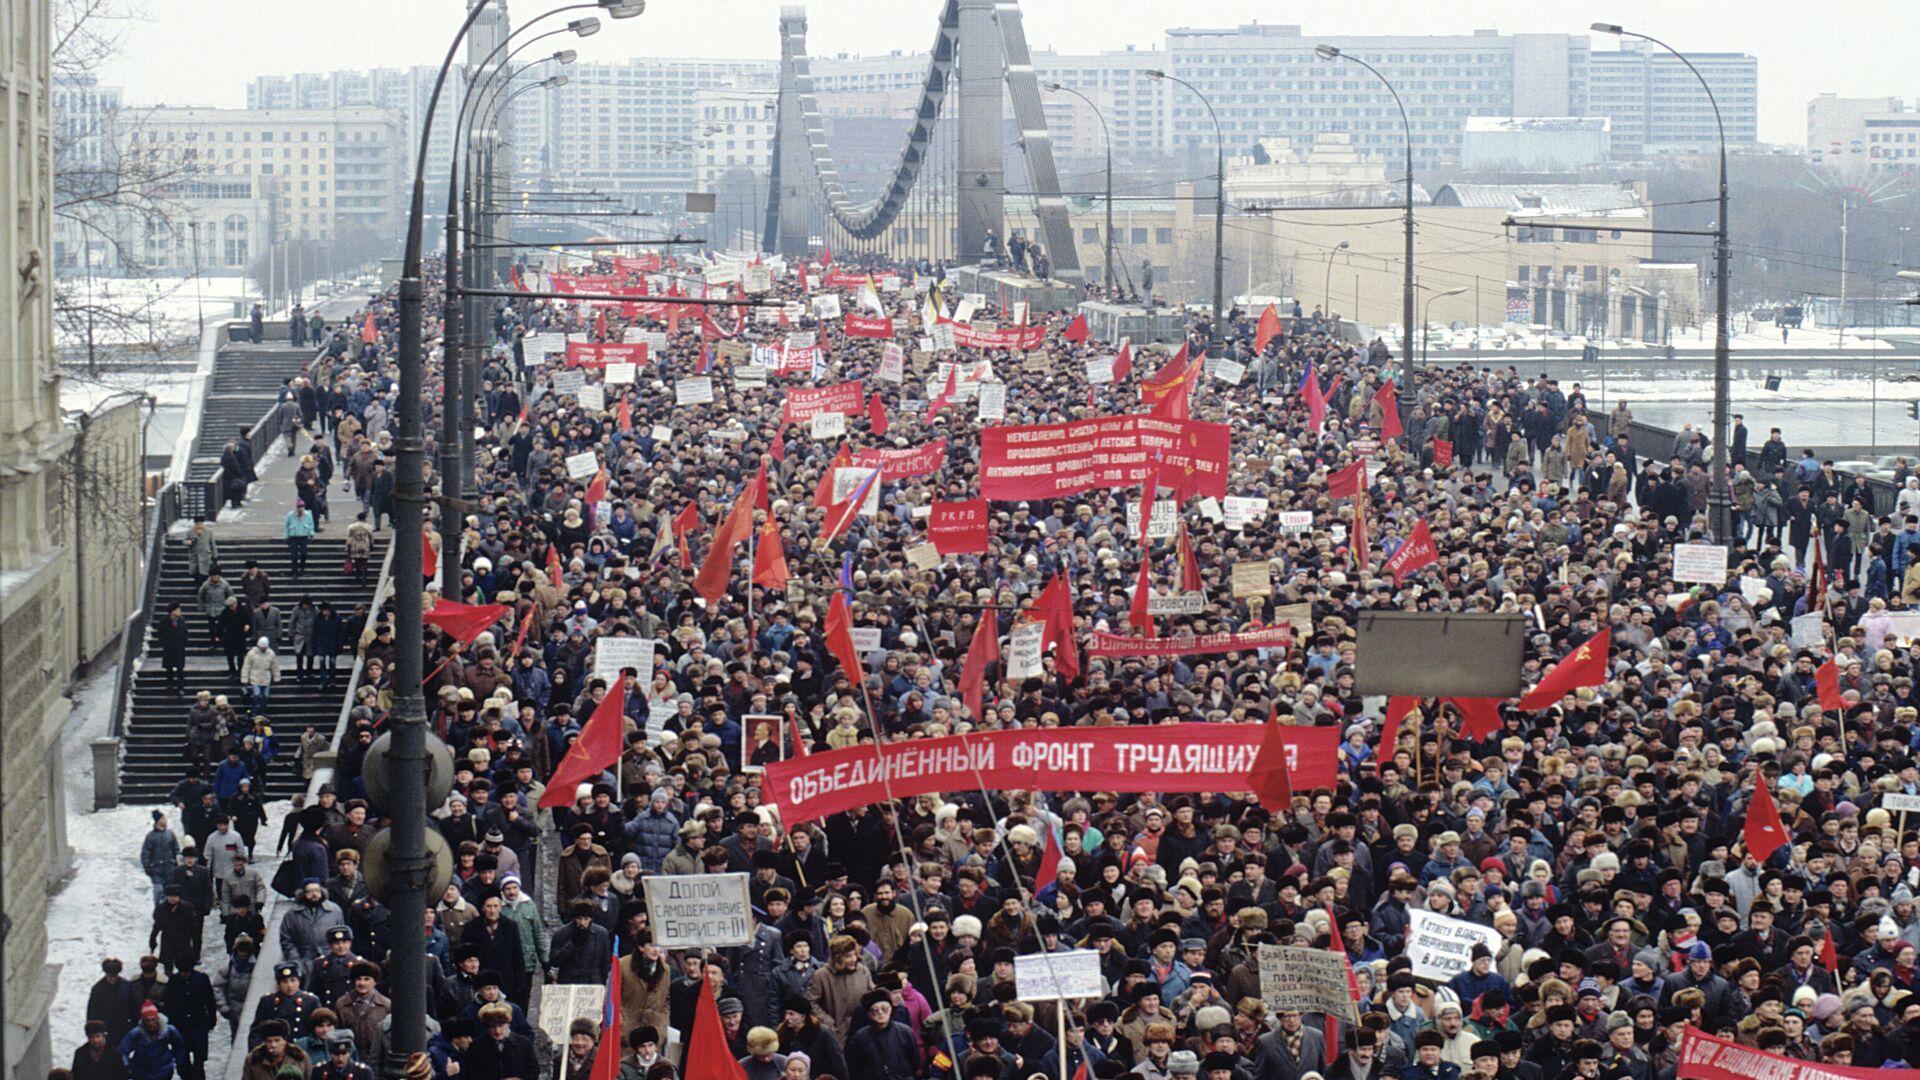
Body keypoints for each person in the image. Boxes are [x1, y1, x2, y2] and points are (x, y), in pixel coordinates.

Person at [119, 1002, 188, 1080]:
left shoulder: (169, 1030)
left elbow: (180, 1045)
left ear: (157, 1019)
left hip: (164, 1071)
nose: (151, 1023)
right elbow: (123, 1049)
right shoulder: (136, 1033)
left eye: (153, 1020)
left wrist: (179, 1061)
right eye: (147, 1020)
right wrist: (126, 1065)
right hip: (141, 1072)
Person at [285, 501, 317, 577]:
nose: (300, 510)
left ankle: (302, 569)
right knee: (294, 555)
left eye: (302, 507)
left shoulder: (308, 515)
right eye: (299, 507)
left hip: (304, 537)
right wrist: (286, 536)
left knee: (304, 554)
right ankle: (294, 571)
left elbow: (311, 524)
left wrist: (311, 534)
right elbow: (286, 526)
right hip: (293, 537)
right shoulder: (290, 515)